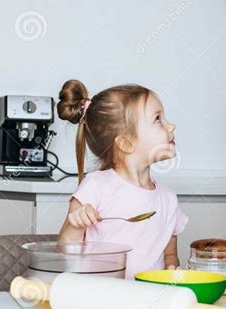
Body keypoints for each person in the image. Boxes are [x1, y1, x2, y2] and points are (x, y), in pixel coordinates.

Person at [57, 80, 187, 279]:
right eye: (158, 119)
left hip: (148, 301)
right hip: (100, 301)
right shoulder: (96, 187)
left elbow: (170, 255)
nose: (171, 126)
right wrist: (75, 224)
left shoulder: (168, 200)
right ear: (126, 143)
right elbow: (67, 252)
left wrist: (172, 271)